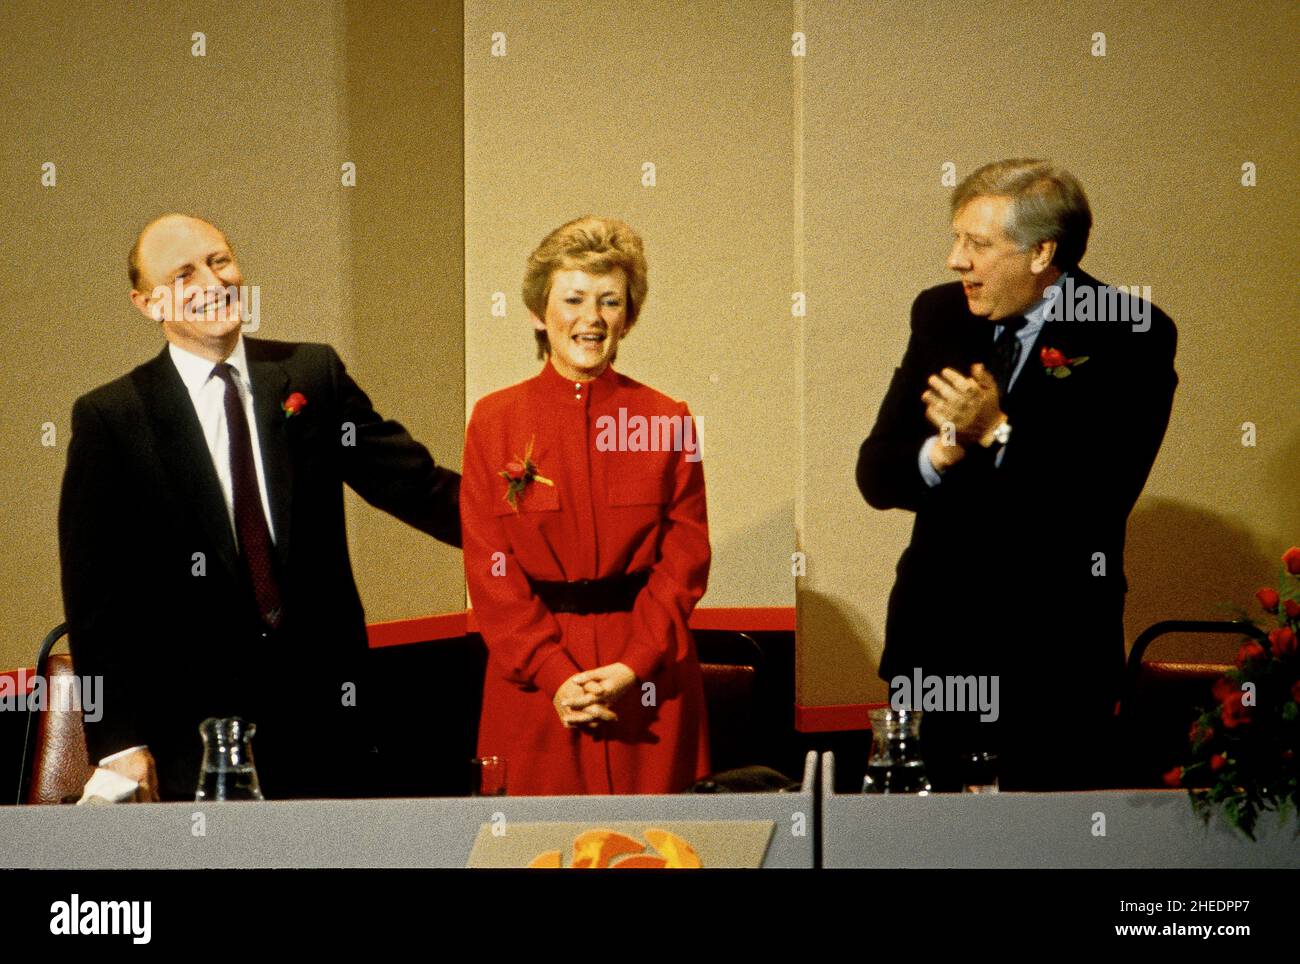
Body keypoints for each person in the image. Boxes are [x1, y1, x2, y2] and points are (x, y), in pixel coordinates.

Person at [58, 214, 461, 801]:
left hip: (326, 718)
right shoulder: (113, 417)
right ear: (147, 304)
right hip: (190, 732)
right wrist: (119, 744)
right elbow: (95, 598)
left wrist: (537, 536)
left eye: (220, 261)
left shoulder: (310, 376)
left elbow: (416, 487)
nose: (212, 281)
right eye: (183, 273)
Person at [856, 160, 1178, 791]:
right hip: (936, 643)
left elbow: (1098, 497)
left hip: (1053, 656)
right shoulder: (941, 316)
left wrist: (1000, 432)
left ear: (1042, 252)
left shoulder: (1130, 333)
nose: (956, 261)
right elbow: (877, 470)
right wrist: (939, 454)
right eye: (956, 240)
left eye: (977, 245)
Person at [461, 215, 711, 794]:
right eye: (573, 299)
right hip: (533, 689)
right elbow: (489, 567)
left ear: (629, 316)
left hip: (648, 685)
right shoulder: (494, 421)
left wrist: (633, 667)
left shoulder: (665, 419)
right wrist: (555, 676)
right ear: (537, 312)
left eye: (610, 302)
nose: (591, 319)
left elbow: (685, 559)